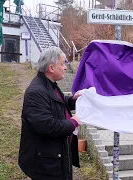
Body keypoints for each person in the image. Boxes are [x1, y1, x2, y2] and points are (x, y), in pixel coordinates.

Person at [18, 46, 81, 180]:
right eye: (62, 63)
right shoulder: (36, 92)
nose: (65, 67)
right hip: (45, 165)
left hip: (55, 157)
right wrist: (73, 123)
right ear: (51, 68)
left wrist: (75, 100)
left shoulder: (50, 84)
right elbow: (47, 126)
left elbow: (59, 103)